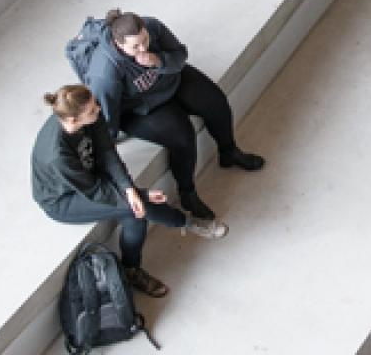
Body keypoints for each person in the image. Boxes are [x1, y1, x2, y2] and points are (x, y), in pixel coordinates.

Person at [31, 84, 227, 298]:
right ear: (72, 120)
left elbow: (107, 152)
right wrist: (139, 195)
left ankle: (145, 255)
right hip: (64, 198)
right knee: (134, 209)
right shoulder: (57, 156)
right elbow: (95, 191)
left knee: (135, 205)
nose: (98, 109)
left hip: (89, 172)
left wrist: (128, 188)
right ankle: (179, 229)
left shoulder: (86, 114)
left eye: (95, 104)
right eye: (92, 110)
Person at [85, 10, 265, 220]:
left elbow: (179, 55)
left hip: (169, 78)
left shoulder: (152, 26)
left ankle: (229, 151)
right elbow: (107, 112)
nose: (143, 48)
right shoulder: (105, 72)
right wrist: (108, 144)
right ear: (119, 44)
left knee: (215, 101)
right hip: (139, 108)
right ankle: (187, 193)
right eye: (135, 47)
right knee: (182, 136)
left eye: (145, 40)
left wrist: (157, 60)